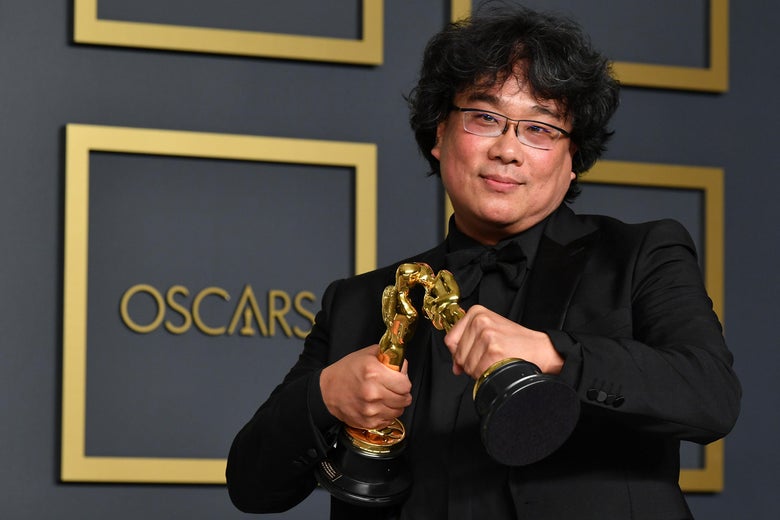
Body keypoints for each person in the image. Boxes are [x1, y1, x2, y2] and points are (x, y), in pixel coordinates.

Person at [226, 5, 741, 519]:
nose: (508, 150)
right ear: (439, 135)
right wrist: (323, 396)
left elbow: (711, 397)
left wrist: (553, 353)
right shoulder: (358, 301)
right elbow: (252, 486)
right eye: (485, 117)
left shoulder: (640, 255)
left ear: (571, 160)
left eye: (540, 129)